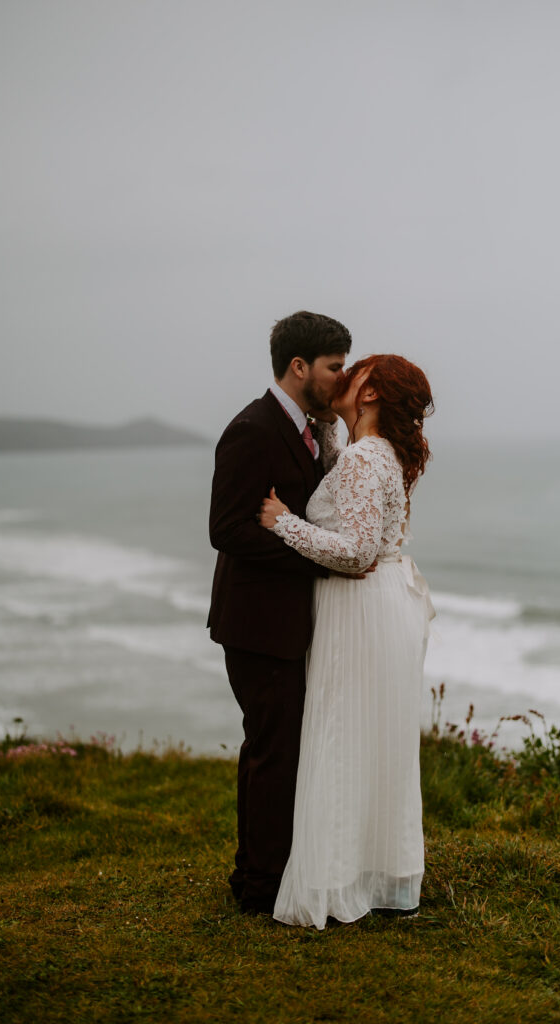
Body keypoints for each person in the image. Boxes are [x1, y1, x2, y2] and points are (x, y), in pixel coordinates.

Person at [259, 353, 435, 929]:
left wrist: (283, 522)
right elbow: (347, 492)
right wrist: (332, 425)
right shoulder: (378, 452)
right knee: (377, 742)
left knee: (341, 736)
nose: (343, 374)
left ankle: (334, 882)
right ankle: (383, 878)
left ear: (371, 393)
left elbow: (356, 551)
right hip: (384, 606)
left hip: (358, 607)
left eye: (354, 371)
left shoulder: (365, 457)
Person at [208, 310, 352, 915]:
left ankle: (257, 873)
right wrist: (315, 555)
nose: (342, 379)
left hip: (285, 623)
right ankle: (261, 887)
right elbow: (226, 529)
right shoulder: (252, 429)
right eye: (334, 367)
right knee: (274, 751)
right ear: (299, 367)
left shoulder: (312, 430)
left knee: (273, 747)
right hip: (257, 624)